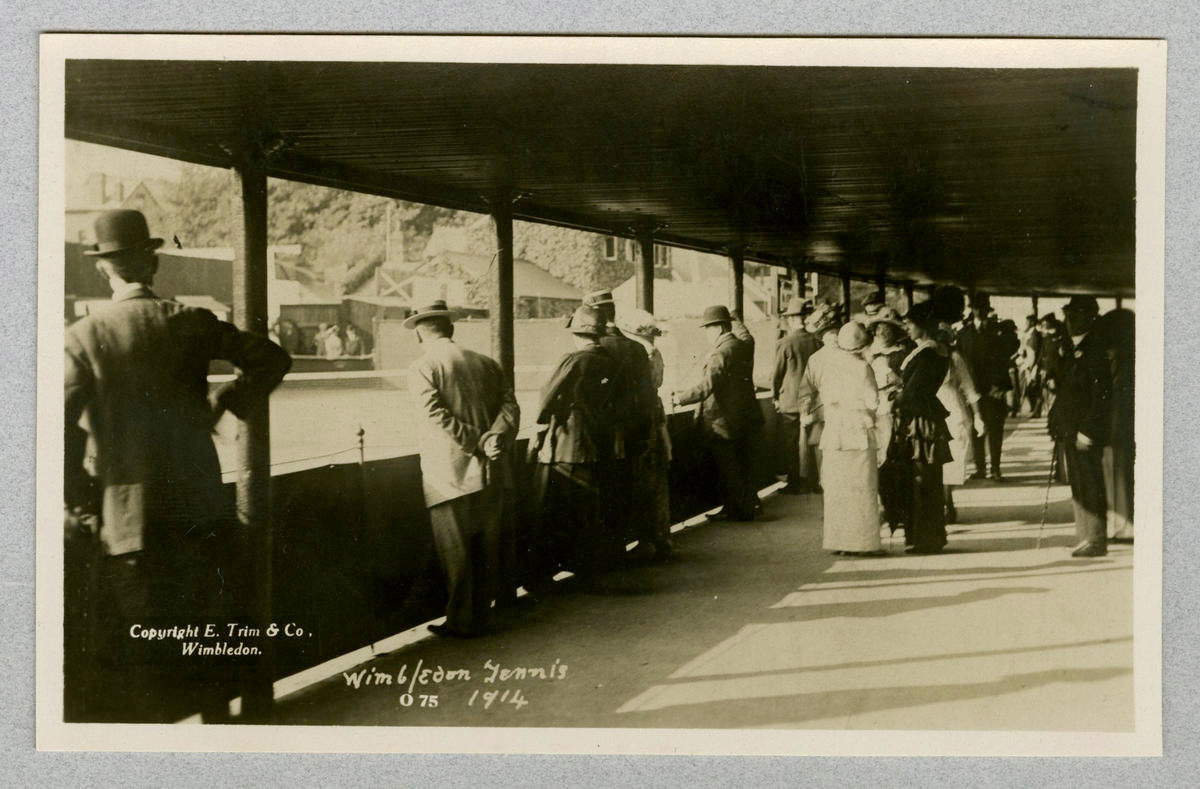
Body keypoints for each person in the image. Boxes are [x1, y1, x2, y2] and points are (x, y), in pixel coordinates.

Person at [63, 209, 292, 722]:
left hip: (129, 527)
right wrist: (226, 401)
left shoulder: (83, 337)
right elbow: (273, 358)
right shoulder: (190, 321)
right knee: (206, 645)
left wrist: (82, 500)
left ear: (104, 269)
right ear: (153, 261)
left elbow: (60, 431)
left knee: (143, 659)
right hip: (202, 513)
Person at [406, 300, 520, 638]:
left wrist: (475, 441)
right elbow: (510, 405)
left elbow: (435, 415)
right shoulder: (486, 363)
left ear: (419, 334)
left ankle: (462, 620)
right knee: (487, 544)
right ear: (450, 328)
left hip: (450, 473)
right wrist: (494, 437)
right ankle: (484, 615)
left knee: (455, 550)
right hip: (492, 468)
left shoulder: (423, 366)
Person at [530, 305, 622, 585]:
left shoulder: (573, 359)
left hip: (568, 445)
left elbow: (549, 393)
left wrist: (541, 423)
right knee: (588, 511)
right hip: (599, 443)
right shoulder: (612, 361)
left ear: (578, 333)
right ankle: (588, 569)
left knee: (549, 509)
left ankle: (540, 575)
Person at [672, 305, 764, 522]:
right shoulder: (742, 345)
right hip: (741, 418)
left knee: (728, 468)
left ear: (719, 328)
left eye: (708, 328)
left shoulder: (722, 351)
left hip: (722, 421)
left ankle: (741, 512)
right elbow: (747, 335)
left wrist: (679, 398)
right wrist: (736, 318)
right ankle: (741, 507)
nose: (706, 333)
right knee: (739, 466)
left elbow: (707, 385)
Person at [583, 290, 656, 549]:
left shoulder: (595, 347)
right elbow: (647, 396)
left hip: (600, 437)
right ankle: (629, 545)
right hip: (634, 434)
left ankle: (610, 551)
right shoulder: (635, 348)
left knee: (604, 494)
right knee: (629, 490)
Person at [1049, 296, 1113, 558]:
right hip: (1070, 430)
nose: (1069, 320)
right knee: (1078, 484)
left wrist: (1089, 429)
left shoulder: (1095, 350)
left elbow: (1102, 396)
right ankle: (1084, 536)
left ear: (1091, 317)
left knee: (1090, 484)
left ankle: (1096, 539)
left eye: (1075, 314)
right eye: (1067, 314)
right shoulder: (1072, 348)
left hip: (1085, 432)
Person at [891, 300, 954, 554]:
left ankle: (923, 538)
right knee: (927, 478)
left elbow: (914, 392)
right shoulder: (934, 351)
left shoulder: (927, 354)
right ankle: (929, 536)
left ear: (922, 326)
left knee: (920, 479)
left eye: (909, 323)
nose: (906, 327)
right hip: (926, 418)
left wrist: (895, 396)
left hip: (919, 422)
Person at [817, 321, 884, 555]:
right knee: (862, 488)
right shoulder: (863, 367)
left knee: (837, 489)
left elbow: (825, 398)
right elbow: (873, 401)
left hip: (835, 434)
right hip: (858, 432)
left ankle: (838, 542)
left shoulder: (830, 366)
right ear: (862, 346)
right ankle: (863, 543)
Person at [618, 308, 675, 561]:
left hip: (643, 427)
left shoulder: (638, 354)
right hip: (657, 421)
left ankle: (648, 541)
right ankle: (661, 538)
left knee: (644, 484)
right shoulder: (655, 353)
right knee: (658, 485)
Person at [956, 292, 1019, 481]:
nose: (980, 311)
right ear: (972, 310)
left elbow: (1006, 355)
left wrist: (999, 386)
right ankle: (980, 468)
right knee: (976, 429)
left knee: (995, 429)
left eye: (983, 308)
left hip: (994, 389)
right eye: (977, 308)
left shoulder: (998, 331)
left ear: (988, 309)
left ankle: (996, 469)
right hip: (973, 390)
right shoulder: (963, 334)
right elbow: (961, 363)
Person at [936, 328, 986, 523]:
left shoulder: (954, 359)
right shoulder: (923, 357)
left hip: (954, 413)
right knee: (936, 461)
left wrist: (978, 416)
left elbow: (969, 389)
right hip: (932, 411)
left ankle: (947, 501)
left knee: (953, 460)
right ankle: (943, 502)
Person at [772, 296, 821, 493]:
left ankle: (794, 483)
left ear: (792, 319)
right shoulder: (816, 342)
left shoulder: (785, 343)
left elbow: (777, 374)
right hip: (812, 400)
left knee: (790, 443)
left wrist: (775, 396)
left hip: (791, 401)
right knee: (813, 442)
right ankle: (814, 482)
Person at [1095, 308, 1135, 541]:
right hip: (1129, 418)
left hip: (1115, 420)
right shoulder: (1135, 353)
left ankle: (1121, 525)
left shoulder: (1111, 356)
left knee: (1114, 471)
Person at [796, 302, 840, 492]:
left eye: (836, 333)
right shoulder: (816, 359)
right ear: (822, 338)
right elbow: (806, 389)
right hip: (822, 415)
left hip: (844, 414)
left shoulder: (851, 356)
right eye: (829, 334)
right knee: (823, 458)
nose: (833, 338)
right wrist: (805, 409)